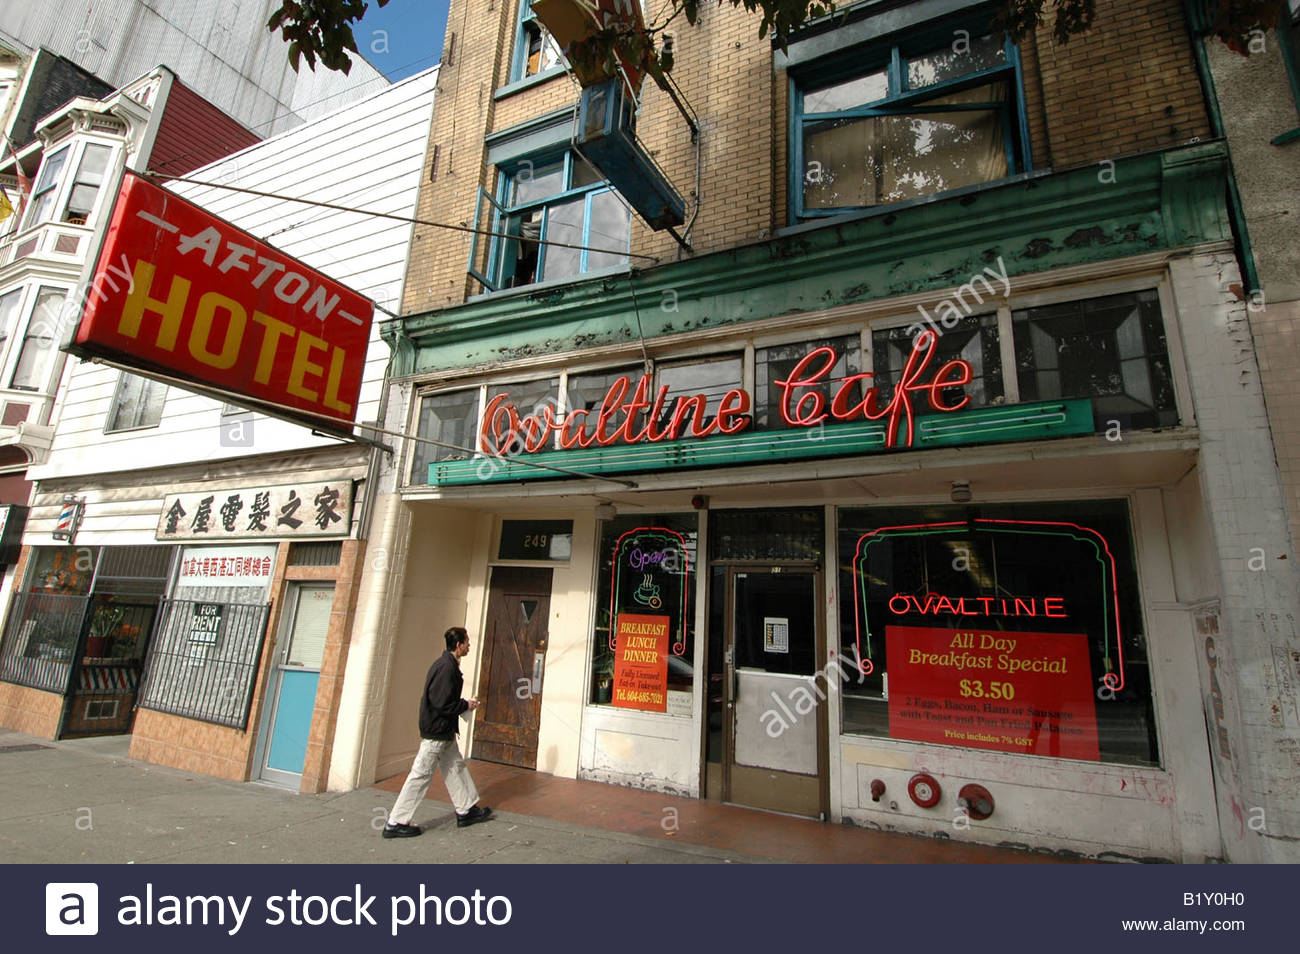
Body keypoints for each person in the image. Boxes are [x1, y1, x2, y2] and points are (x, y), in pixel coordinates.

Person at [382, 626, 493, 838]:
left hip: (443, 731)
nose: (469, 645)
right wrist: (465, 705)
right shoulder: (446, 668)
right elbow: (442, 703)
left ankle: (466, 809)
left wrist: (461, 706)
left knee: (455, 767)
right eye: (467, 642)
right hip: (436, 732)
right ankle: (396, 821)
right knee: (421, 774)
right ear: (459, 645)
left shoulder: (445, 664)